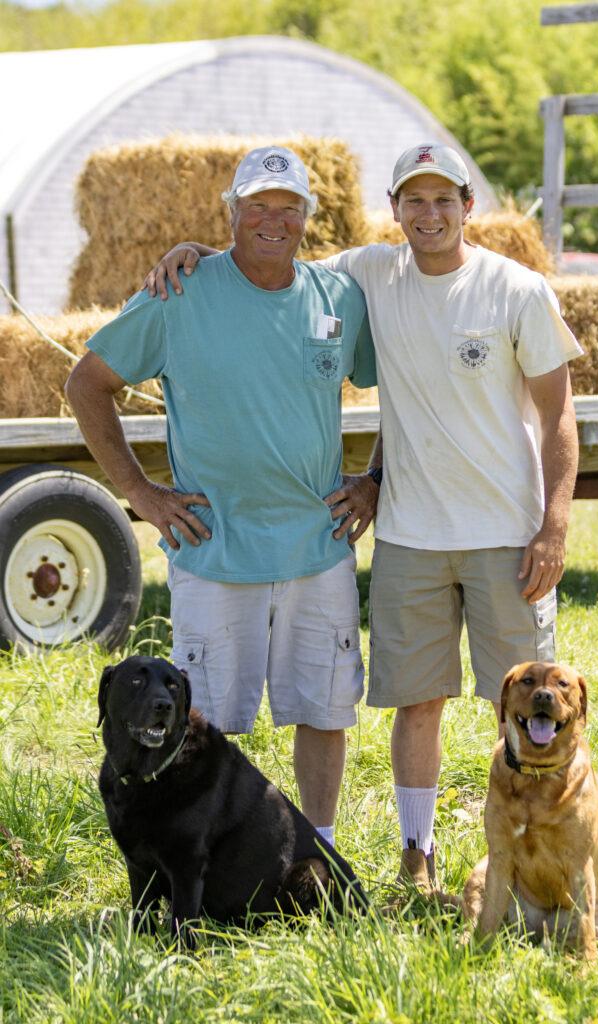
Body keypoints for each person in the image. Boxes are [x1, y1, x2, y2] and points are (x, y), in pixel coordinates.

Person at [142, 142, 583, 890]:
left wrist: (554, 522)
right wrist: (194, 254)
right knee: (415, 704)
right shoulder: (367, 276)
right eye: (414, 200)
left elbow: (558, 413)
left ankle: (536, 850)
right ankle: (418, 854)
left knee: (523, 706)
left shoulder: (516, 289)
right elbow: (269, 253)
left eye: (444, 199)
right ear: (394, 209)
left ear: (468, 206)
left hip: (506, 530)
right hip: (410, 533)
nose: (429, 213)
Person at [66, 145, 379, 850]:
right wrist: (139, 493)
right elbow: (86, 383)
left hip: (316, 544)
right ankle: (205, 856)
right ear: (231, 212)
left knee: (322, 710)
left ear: (309, 216)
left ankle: (317, 851)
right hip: (212, 548)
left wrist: (376, 479)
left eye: (287, 207)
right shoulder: (179, 291)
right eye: (257, 206)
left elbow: (409, 384)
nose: (273, 219)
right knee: (199, 722)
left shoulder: (339, 298)